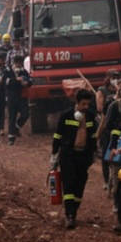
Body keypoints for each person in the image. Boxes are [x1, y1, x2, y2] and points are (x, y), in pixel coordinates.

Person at [51, 89, 98, 229]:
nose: (85, 107)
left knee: (80, 183)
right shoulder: (66, 115)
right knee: (69, 183)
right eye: (83, 104)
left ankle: (74, 210)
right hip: (68, 155)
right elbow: (57, 135)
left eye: (88, 104)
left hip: (84, 156)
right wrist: (54, 153)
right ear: (76, 102)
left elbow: (93, 137)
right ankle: (69, 215)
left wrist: (93, 153)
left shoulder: (90, 116)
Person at [5, 55, 32, 146]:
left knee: (25, 114)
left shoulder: (24, 72)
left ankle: (17, 127)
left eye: (20, 63)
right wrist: (17, 80)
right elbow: (6, 82)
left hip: (22, 97)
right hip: (12, 97)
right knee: (12, 117)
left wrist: (26, 83)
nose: (18, 65)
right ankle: (11, 138)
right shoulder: (8, 71)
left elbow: (30, 81)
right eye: (17, 63)